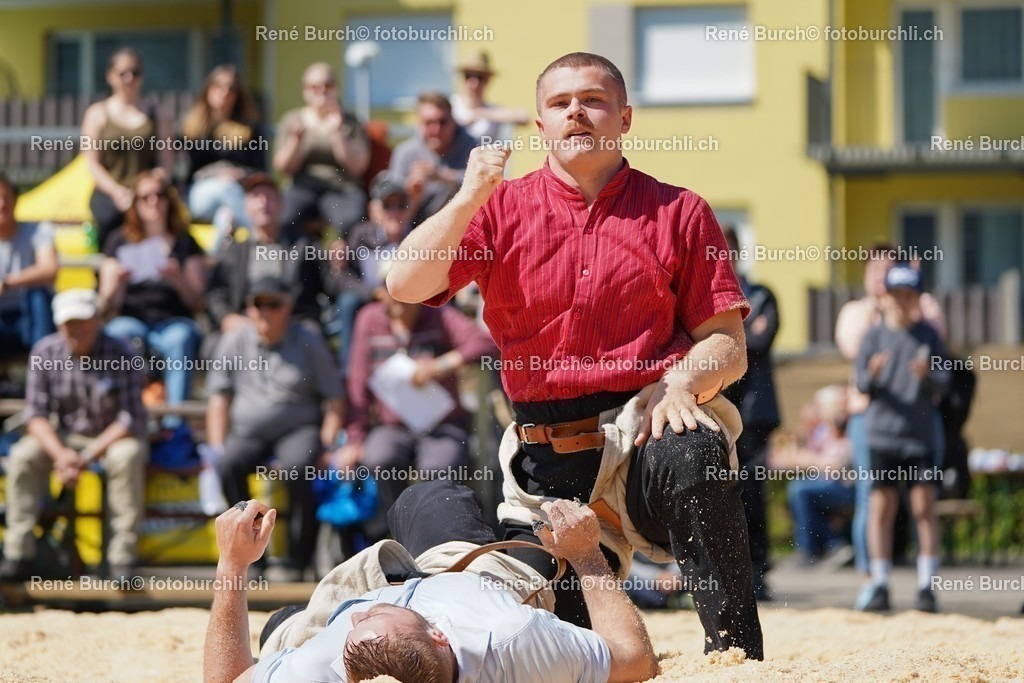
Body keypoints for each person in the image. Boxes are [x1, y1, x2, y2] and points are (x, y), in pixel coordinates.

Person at [387, 52, 764, 659]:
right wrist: (465, 198)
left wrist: (679, 385)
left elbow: (727, 344)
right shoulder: (495, 208)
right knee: (547, 634)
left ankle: (738, 652)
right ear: (540, 126)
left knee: (696, 448)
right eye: (560, 104)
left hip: (650, 425)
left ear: (624, 117)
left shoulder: (682, 210)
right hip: (548, 456)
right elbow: (402, 284)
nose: (576, 113)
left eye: (592, 100)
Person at [203, 479, 658, 683]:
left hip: (354, 601)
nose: (364, 610)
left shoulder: (318, 671)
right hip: (479, 578)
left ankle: (292, 625)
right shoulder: (512, 641)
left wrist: (233, 565)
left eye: (364, 621)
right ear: (440, 635)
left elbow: (226, 680)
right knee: (437, 495)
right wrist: (585, 555)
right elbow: (636, 660)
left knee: (279, 626)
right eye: (375, 614)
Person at [0, 289, 147, 582]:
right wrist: (63, 455)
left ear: (97, 319)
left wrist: (83, 457)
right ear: (59, 324)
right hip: (64, 437)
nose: (77, 328)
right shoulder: (45, 351)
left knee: (128, 455)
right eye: (70, 322)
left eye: (83, 320)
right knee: (22, 456)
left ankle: (123, 558)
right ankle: (19, 552)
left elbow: (130, 418)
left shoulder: (122, 352)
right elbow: (36, 416)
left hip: (110, 439)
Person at [205, 276, 345, 581]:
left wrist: (327, 444)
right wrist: (215, 448)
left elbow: (334, 397)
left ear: (288, 307)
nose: (265, 311)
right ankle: (250, 558)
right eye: (258, 304)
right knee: (228, 462)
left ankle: (298, 560)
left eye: (273, 304)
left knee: (300, 467)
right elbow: (218, 398)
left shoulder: (309, 340)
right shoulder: (233, 340)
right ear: (249, 308)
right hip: (247, 431)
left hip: (298, 428)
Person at [339, 275, 498, 539]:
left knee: (439, 467)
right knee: (380, 456)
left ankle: (437, 539)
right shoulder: (369, 319)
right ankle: (398, 534)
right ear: (382, 294)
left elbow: (485, 342)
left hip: (442, 424)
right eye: (393, 293)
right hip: (393, 425)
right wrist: (355, 438)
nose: (400, 301)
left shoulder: (438, 315)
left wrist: (440, 365)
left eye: (408, 294)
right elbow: (357, 382)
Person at [834, 244, 946, 606]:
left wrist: (928, 377)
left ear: (916, 296)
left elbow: (945, 381)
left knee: (923, 507)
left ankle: (926, 584)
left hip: (919, 435)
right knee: (880, 505)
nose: (901, 301)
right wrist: (873, 373)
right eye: (896, 294)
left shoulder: (928, 335)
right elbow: (862, 384)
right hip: (882, 432)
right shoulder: (873, 335)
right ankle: (878, 582)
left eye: (908, 294)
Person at [98, 170, 206, 419]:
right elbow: (106, 304)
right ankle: (128, 418)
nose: (153, 202)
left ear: (169, 201)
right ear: (136, 203)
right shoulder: (118, 241)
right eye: (145, 197)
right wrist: (119, 283)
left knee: (181, 340)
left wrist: (178, 279)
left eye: (159, 195)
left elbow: (197, 302)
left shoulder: (185, 243)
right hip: (132, 318)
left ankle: (174, 423)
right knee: (119, 335)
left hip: (173, 321)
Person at [205, 171, 337, 355]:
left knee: (312, 339)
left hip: (295, 324)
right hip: (247, 325)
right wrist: (226, 317)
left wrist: (337, 266)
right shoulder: (234, 251)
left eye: (269, 197)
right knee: (213, 346)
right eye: (256, 197)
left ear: (282, 204)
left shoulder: (304, 245)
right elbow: (216, 293)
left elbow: (331, 285)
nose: (264, 203)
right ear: (245, 206)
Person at [721, 227, 780, 601]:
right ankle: (727, 571)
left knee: (753, 491)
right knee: (720, 492)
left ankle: (758, 568)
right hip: (719, 408)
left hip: (755, 411)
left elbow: (758, 342)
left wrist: (726, 332)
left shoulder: (762, 294)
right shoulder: (710, 296)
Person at [324, 174, 416, 373]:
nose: (395, 213)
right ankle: (348, 371)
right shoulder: (361, 235)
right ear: (376, 211)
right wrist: (373, 293)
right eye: (388, 206)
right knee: (348, 303)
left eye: (400, 206)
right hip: (368, 298)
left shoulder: (418, 236)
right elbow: (344, 278)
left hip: (409, 300)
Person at [81, 47, 171, 246]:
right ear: (111, 76)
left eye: (135, 73)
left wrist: (149, 190)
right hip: (110, 194)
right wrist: (117, 192)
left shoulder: (157, 112)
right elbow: (92, 164)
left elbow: (165, 161)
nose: (129, 78)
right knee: (109, 222)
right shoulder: (97, 113)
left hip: (148, 193)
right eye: (123, 73)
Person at [274, 63, 370, 243]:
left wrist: (338, 134)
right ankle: (300, 265)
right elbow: (283, 168)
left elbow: (358, 167)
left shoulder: (350, 122)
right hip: (303, 187)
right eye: (315, 86)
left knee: (351, 222)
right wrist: (295, 141)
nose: (322, 91)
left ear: (337, 88)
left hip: (341, 188)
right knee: (284, 218)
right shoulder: (292, 120)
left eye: (328, 85)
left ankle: (346, 269)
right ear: (305, 91)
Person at [180, 64, 266, 252]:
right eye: (218, 86)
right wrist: (218, 173)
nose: (224, 93)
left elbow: (261, 171)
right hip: (199, 196)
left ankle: (215, 267)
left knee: (225, 217)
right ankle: (263, 236)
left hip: (235, 194)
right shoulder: (191, 127)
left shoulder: (249, 129)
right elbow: (184, 171)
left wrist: (241, 173)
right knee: (225, 187)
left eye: (231, 89)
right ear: (208, 89)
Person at [770, 385, 854, 566]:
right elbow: (798, 459)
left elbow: (836, 465)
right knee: (800, 489)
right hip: (826, 483)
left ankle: (808, 550)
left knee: (799, 490)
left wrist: (810, 460)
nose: (818, 411)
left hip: (846, 486)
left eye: (821, 407)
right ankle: (833, 544)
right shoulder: (822, 431)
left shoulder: (847, 428)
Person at [388, 92, 476, 225]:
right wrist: (409, 192)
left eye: (442, 122)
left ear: (453, 121)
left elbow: (482, 184)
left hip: (462, 226)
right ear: (419, 123)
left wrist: (441, 176)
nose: (436, 129)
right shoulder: (405, 152)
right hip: (415, 229)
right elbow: (391, 201)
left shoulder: (473, 148)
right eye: (429, 122)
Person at [0, 174, 57, 359]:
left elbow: (50, 269)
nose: (2, 204)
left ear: (16, 200)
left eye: (6, 198)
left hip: (32, 319)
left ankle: (45, 371)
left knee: (38, 294)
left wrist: (7, 283)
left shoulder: (38, 230)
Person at [451, 50, 530, 143]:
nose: (474, 83)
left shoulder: (491, 110)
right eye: (469, 76)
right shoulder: (451, 104)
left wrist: (480, 113)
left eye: (480, 77)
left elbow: (524, 117)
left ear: (487, 80)